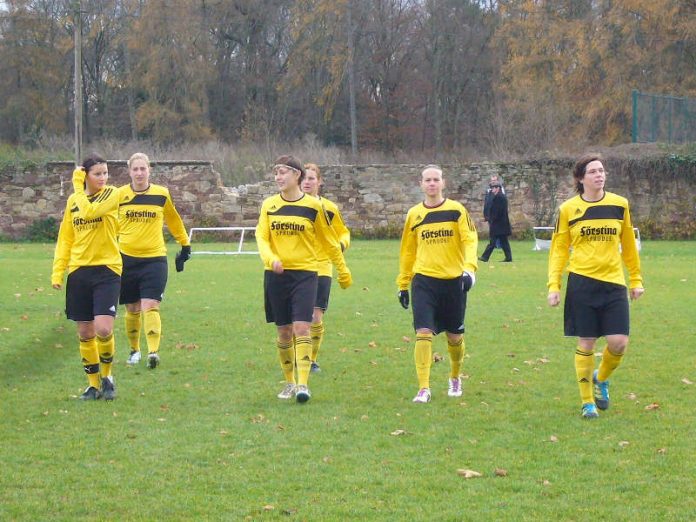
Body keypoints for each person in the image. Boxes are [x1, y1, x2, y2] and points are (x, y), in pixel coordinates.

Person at [547, 153, 644, 419]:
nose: (599, 175)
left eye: (601, 171)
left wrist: (636, 279)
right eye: (593, 172)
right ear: (581, 178)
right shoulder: (568, 209)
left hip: (613, 283)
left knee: (619, 342)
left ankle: (601, 378)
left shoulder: (620, 205)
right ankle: (587, 401)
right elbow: (558, 250)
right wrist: (553, 285)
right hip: (582, 283)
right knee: (587, 342)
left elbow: (629, 248)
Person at [256, 155, 352, 403]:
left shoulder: (313, 207)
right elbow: (262, 238)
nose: (278, 177)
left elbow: (330, 242)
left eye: (283, 172)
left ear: (296, 175)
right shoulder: (269, 205)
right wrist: (271, 259)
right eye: (275, 172)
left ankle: (303, 384)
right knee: (284, 331)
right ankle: (289, 381)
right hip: (276, 276)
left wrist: (342, 270)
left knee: (302, 326)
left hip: (306, 275)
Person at [396, 165, 478, 403]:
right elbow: (407, 252)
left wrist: (469, 270)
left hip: (454, 282)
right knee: (423, 332)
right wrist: (403, 284)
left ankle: (454, 376)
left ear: (443, 183)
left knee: (454, 337)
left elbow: (470, 240)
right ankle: (424, 387)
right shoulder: (414, 215)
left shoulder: (457, 210)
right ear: (421, 184)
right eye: (427, 180)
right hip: (423, 281)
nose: (432, 184)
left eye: (436, 180)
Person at [51, 154, 121, 400]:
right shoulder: (73, 201)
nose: (103, 178)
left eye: (105, 173)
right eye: (97, 174)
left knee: (103, 329)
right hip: (79, 272)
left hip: (107, 270)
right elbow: (66, 238)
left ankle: (108, 377)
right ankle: (92, 386)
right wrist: (58, 270)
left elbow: (91, 212)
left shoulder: (112, 194)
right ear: (86, 176)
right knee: (85, 332)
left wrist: (77, 187)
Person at [118, 152, 191, 370]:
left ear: (149, 170)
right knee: (132, 308)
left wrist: (185, 245)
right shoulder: (119, 196)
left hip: (155, 260)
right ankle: (134, 350)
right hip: (126, 259)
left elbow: (173, 220)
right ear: (129, 171)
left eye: (143, 169)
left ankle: (153, 352)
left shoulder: (161, 194)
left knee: (150, 305)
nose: (139, 173)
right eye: (135, 169)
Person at [300, 163, 351, 373]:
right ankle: (298, 353)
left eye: (311, 178)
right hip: (297, 267)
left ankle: (311, 360)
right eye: (303, 178)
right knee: (298, 317)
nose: (307, 182)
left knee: (315, 316)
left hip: (322, 267)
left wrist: (340, 245)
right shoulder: (292, 206)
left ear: (319, 181)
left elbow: (343, 233)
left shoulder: (329, 208)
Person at [478, 180, 512, 262]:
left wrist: (491, 219)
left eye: (493, 188)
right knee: (504, 242)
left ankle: (485, 257)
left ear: (498, 188)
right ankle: (508, 258)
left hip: (498, 224)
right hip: (501, 224)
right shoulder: (499, 197)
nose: (492, 189)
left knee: (493, 242)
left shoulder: (499, 197)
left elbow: (497, 211)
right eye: (491, 188)